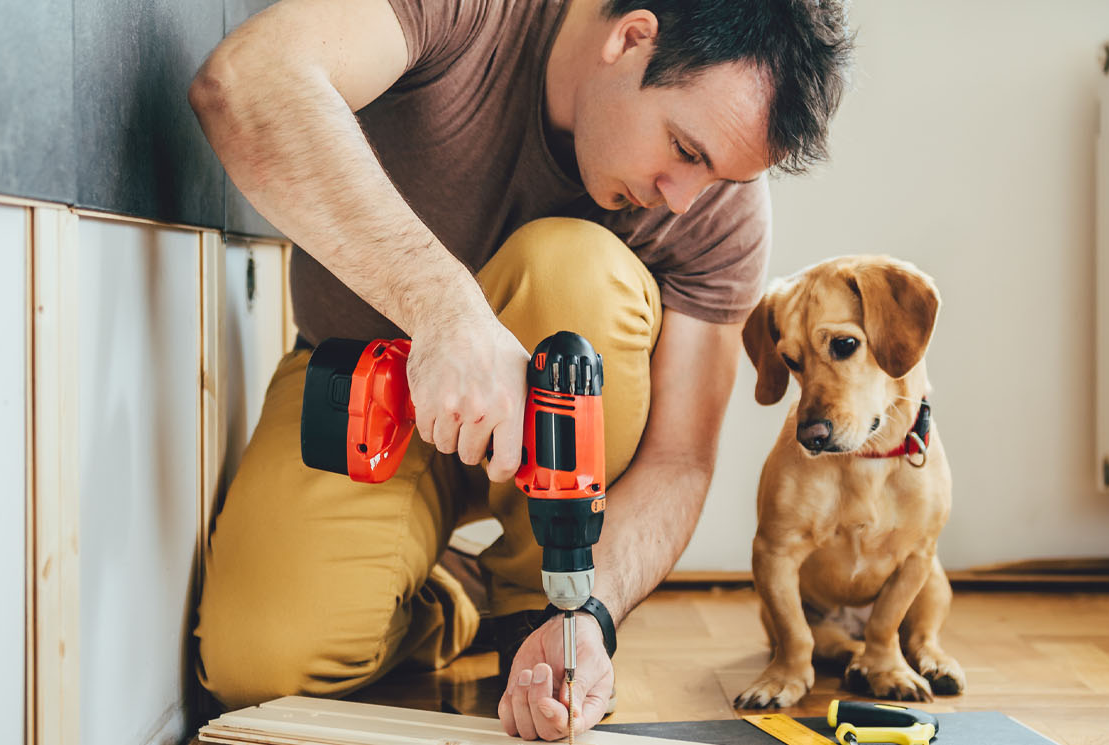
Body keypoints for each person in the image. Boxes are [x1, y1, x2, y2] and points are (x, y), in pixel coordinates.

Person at [188, 0, 851, 739]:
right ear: (632, 38)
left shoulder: (717, 210)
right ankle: (453, 596)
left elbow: (679, 459)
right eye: (686, 151)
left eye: (721, 178)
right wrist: (445, 308)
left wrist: (593, 610)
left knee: (575, 272)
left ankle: (536, 609)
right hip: (368, 386)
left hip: (551, 460)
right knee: (262, 663)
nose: (684, 199)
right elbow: (248, 82)